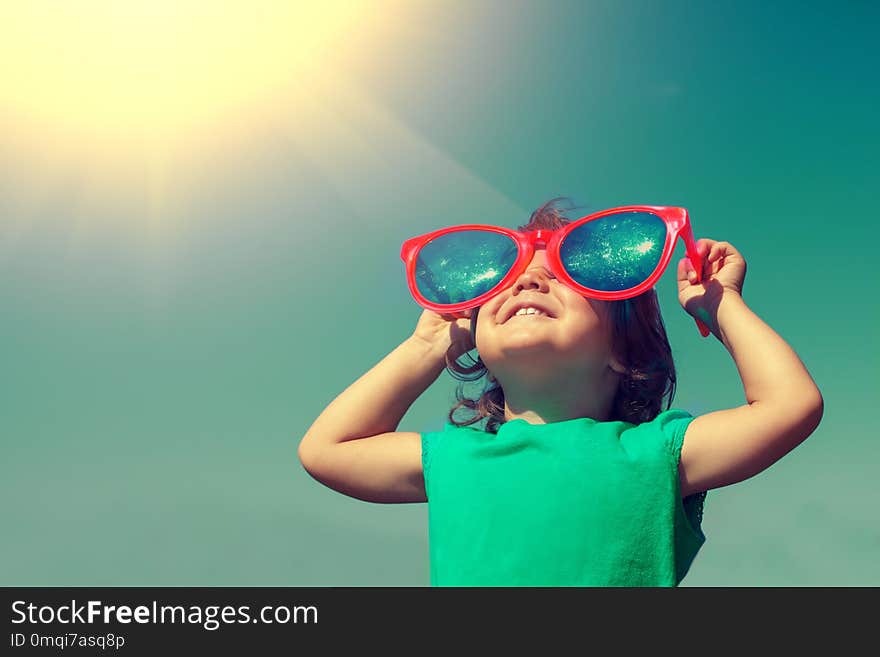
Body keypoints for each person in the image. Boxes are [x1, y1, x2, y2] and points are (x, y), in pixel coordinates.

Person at [298, 198, 824, 586]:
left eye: (562, 278)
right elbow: (327, 450)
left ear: (625, 350)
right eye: (505, 283)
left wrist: (720, 301)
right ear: (476, 342)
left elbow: (789, 406)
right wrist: (426, 345)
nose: (527, 283)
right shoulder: (455, 457)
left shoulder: (654, 453)